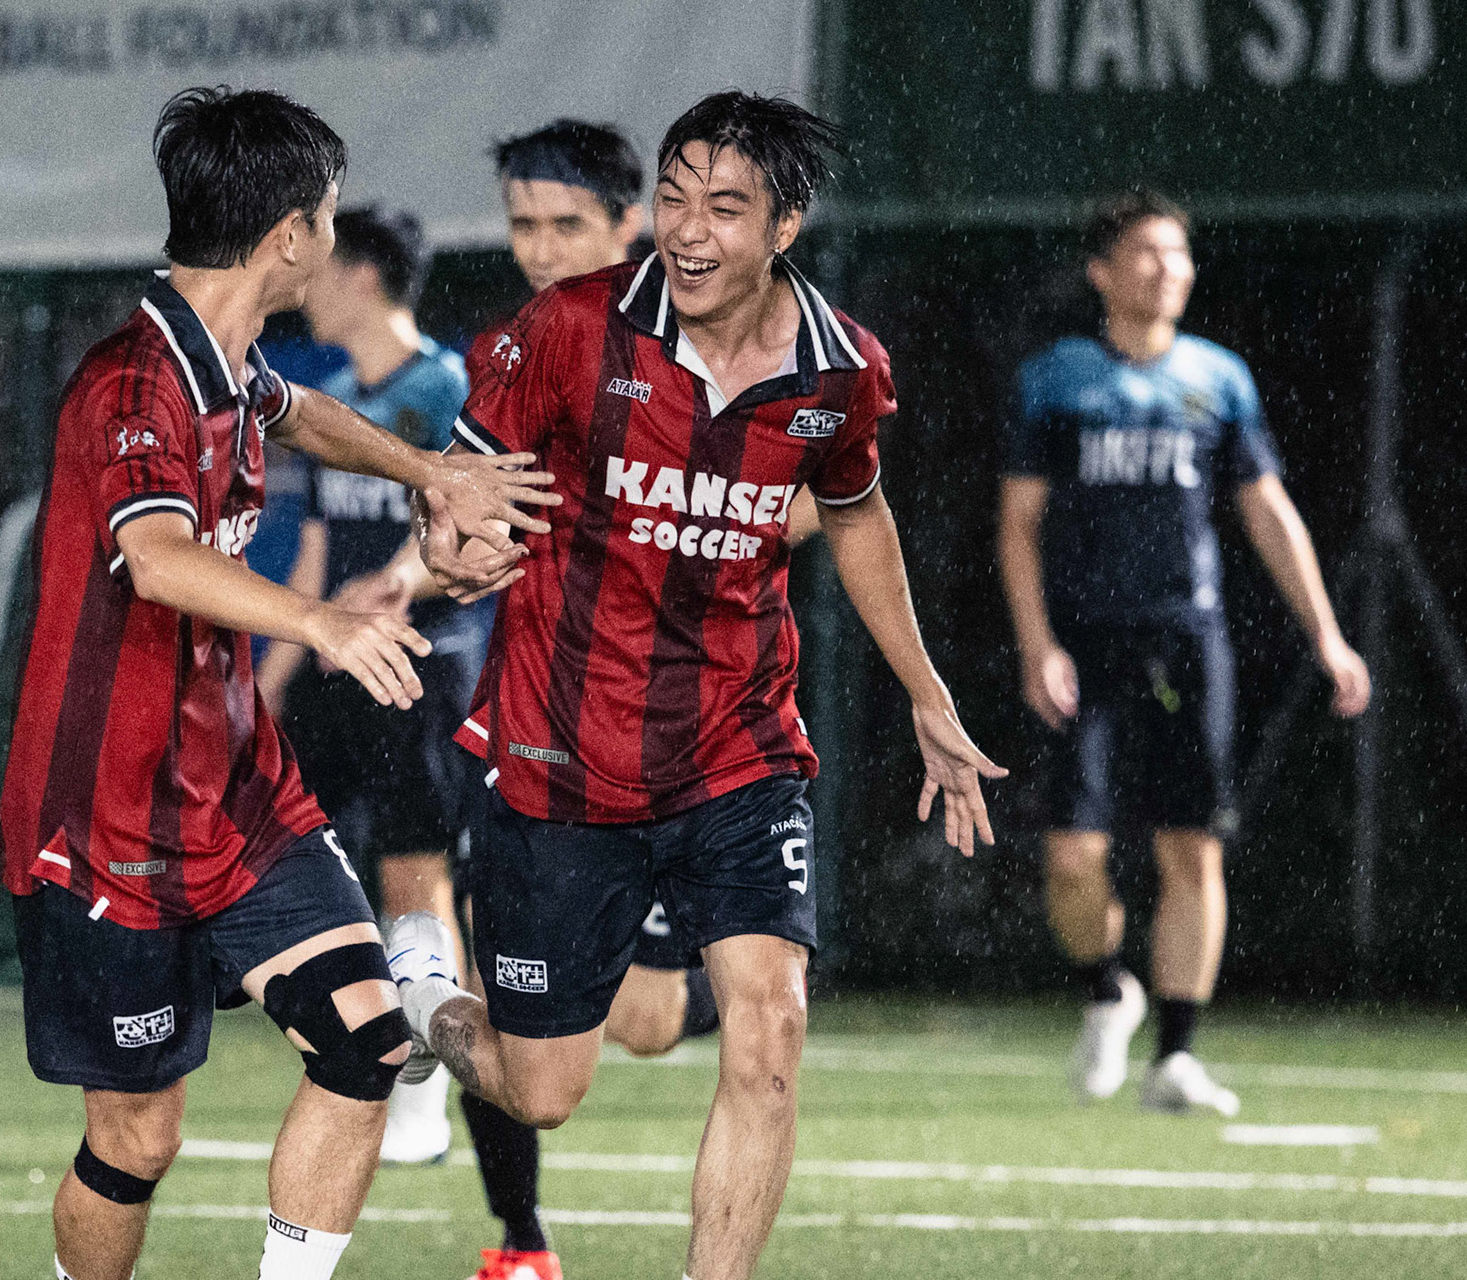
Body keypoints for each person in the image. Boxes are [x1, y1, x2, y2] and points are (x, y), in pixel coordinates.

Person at [385, 92, 1006, 1280]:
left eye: (724, 205)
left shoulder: (841, 368)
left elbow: (856, 509)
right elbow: (459, 491)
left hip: (738, 745)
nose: (688, 227)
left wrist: (928, 693)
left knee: (769, 1033)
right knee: (542, 1086)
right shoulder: (570, 328)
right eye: (674, 198)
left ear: (785, 225)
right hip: (564, 750)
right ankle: (419, 996)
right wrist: (452, 543)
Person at [0, 85, 554, 1280]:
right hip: (102, 821)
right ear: (290, 235)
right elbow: (155, 557)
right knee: (137, 1137)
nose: (335, 237)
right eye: (329, 215)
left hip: (239, 794)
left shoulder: (230, 367)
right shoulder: (132, 384)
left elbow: (300, 416)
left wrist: (432, 474)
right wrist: (321, 620)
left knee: (367, 1038)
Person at [996, 191, 1371, 1117]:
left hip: (1186, 642)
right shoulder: (1055, 380)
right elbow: (1019, 524)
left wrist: (1327, 633)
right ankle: (1105, 989)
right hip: (1082, 644)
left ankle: (1176, 1056)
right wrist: (1037, 643)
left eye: (1179, 254)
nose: (1170, 269)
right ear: (1102, 272)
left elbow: (1266, 509)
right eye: (1148, 252)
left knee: (1192, 847)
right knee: (1073, 858)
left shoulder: (1219, 378)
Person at [254, 207, 477, 1168]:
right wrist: (266, 686)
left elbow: (471, 526)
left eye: (325, 264)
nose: (305, 284)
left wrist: (393, 582)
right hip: (335, 668)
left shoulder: (448, 387)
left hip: (420, 664)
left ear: (367, 275)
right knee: (284, 852)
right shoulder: (329, 399)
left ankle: (423, 1095)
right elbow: (312, 556)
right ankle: (361, 1039)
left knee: (413, 870)